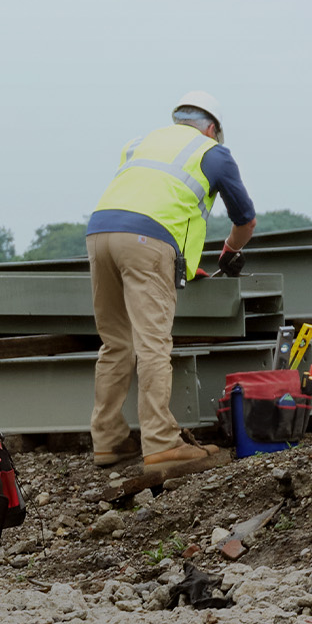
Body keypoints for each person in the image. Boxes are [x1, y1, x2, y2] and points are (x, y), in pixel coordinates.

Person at [84, 102, 260, 475]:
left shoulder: (140, 143)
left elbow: (149, 200)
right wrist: (228, 251)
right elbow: (246, 222)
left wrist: (177, 261)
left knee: (116, 342)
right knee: (153, 344)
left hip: (100, 233)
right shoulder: (214, 154)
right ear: (211, 129)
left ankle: (107, 440)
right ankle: (161, 444)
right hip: (148, 242)